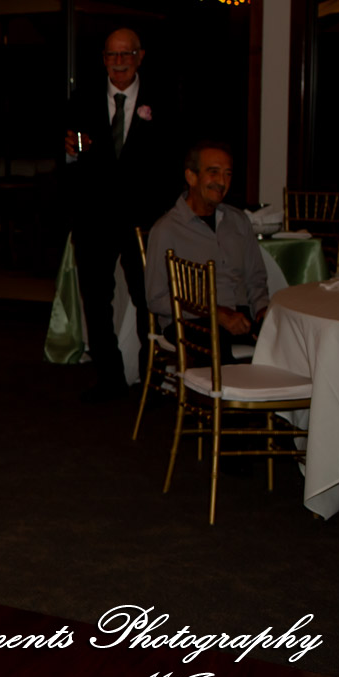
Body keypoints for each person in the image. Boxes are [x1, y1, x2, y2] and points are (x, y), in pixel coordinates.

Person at [64, 28, 179, 402]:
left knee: (149, 300)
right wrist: (69, 153)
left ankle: (150, 377)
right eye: (112, 56)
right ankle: (110, 378)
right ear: (103, 59)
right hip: (94, 221)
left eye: (126, 55)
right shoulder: (81, 99)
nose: (119, 63)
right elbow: (68, 161)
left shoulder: (162, 101)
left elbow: (172, 165)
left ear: (140, 56)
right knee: (96, 303)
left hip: (144, 221)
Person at [144, 141, 269, 358]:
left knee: (290, 341)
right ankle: (223, 391)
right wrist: (216, 313)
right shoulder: (166, 229)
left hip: (240, 315)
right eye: (214, 173)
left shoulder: (238, 221)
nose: (222, 182)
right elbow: (156, 299)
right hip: (190, 321)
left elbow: (255, 279)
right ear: (191, 177)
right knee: (219, 348)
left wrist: (262, 312)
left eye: (228, 174)